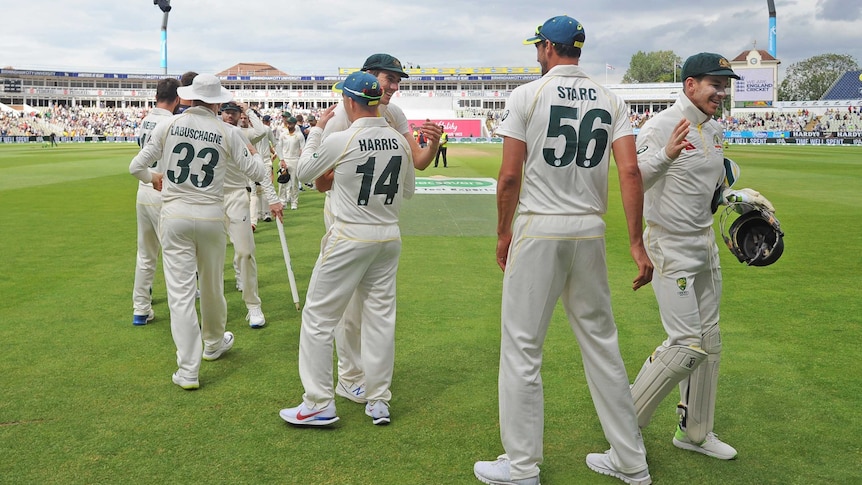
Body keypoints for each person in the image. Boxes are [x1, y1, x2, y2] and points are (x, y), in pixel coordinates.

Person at [473, 16, 653, 485]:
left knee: (522, 348)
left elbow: (510, 176)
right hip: (589, 231)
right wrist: (636, 242)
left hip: (539, 227)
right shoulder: (611, 98)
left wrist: (502, 232)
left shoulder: (527, 95)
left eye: (539, 47)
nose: (536, 53)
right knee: (602, 347)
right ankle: (632, 462)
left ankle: (522, 465)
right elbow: (630, 173)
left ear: (550, 49)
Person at [629, 52, 771, 461]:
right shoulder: (659, 126)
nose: (721, 93)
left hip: (705, 243)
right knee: (687, 345)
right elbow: (635, 180)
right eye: (715, 84)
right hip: (669, 244)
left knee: (710, 341)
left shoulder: (715, 129)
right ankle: (624, 425)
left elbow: (707, 187)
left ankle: (694, 432)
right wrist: (666, 155)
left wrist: (736, 198)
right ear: (690, 85)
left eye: (725, 85)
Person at [129, 74, 282, 390]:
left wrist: (153, 177)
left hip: (174, 215)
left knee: (181, 294)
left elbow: (135, 167)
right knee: (212, 285)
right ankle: (213, 343)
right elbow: (257, 171)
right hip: (211, 216)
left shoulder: (169, 125)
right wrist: (272, 194)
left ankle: (188, 370)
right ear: (215, 102)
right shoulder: (227, 131)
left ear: (188, 98)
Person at [278, 71, 414, 426]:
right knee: (381, 319)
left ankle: (319, 402)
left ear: (350, 102)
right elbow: (408, 190)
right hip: (388, 235)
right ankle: (378, 398)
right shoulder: (399, 140)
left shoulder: (345, 137)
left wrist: (319, 131)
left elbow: (306, 173)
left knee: (319, 317)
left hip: (351, 235)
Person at [317, 53, 442, 405]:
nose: (395, 86)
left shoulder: (395, 115)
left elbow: (415, 162)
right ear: (369, 77)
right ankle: (351, 376)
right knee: (348, 306)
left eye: (398, 80)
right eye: (390, 79)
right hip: (347, 218)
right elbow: (323, 182)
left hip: (380, 220)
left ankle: (368, 381)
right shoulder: (342, 115)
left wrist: (430, 144)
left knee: (373, 305)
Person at [220, 101, 281, 327]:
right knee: (209, 259)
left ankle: (253, 306)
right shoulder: (206, 127)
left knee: (245, 252)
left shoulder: (240, 133)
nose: (230, 116)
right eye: (226, 112)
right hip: (209, 198)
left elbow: (258, 168)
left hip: (237, 194)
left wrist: (273, 199)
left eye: (234, 113)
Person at [131, 77, 181, 326]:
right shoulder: (171, 122)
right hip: (163, 190)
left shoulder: (145, 120)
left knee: (145, 254)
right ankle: (180, 314)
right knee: (173, 257)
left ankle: (141, 309)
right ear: (178, 99)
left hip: (143, 190)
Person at [250, 113, 277, 227]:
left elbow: (274, 143)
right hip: (252, 162)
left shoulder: (266, 129)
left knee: (266, 187)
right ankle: (253, 219)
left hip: (265, 161)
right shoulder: (247, 131)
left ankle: (266, 213)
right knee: (253, 191)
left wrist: (279, 157)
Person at [275, 115, 304, 210]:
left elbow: (303, 148)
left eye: (291, 123)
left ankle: (294, 202)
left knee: (294, 183)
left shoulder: (299, 135)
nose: (289, 125)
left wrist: (300, 159)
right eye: (288, 123)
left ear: (295, 124)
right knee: (282, 182)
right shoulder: (283, 135)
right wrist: (281, 159)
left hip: (295, 160)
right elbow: (279, 147)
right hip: (285, 160)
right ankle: (282, 202)